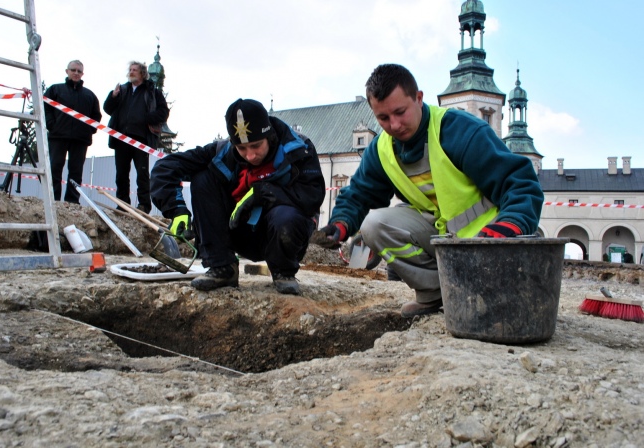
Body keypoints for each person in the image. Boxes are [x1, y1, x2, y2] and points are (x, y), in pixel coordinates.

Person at [313, 64, 544, 318]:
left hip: (487, 241)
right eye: (384, 118)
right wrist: (340, 224)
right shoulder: (381, 150)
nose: (395, 125)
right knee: (373, 225)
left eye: (400, 112)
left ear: (419, 98)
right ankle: (437, 292)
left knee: (496, 303)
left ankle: (473, 288)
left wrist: (509, 226)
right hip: (442, 237)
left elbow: (520, 183)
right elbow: (359, 194)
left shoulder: (459, 131)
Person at [150, 98, 325, 295]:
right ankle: (222, 267)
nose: (250, 155)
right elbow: (164, 168)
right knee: (203, 178)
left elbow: (312, 196)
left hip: (281, 234)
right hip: (238, 230)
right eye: (242, 148)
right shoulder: (223, 151)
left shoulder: (299, 148)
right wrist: (177, 210)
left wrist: (263, 193)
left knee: (287, 216)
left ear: (270, 136)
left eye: (256, 146)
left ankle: (283, 271)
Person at [103, 61, 169, 213]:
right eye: (130, 70)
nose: (131, 72)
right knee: (121, 174)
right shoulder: (123, 89)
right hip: (121, 137)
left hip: (141, 139)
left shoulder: (152, 92)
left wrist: (147, 118)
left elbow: (163, 113)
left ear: (143, 73)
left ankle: (144, 205)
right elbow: (107, 109)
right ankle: (122, 204)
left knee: (142, 174)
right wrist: (113, 96)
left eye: (135, 70)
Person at [44, 60, 102, 203]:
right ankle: (53, 199)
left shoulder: (90, 95)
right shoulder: (55, 90)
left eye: (79, 71)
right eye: (73, 70)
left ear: (82, 74)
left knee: (76, 172)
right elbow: (45, 108)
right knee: (55, 168)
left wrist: (89, 130)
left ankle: (72, 201)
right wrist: (52, 125)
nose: (76, 73)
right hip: (58, 136)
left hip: (80, 139)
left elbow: (96, 116)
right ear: (67, 71)